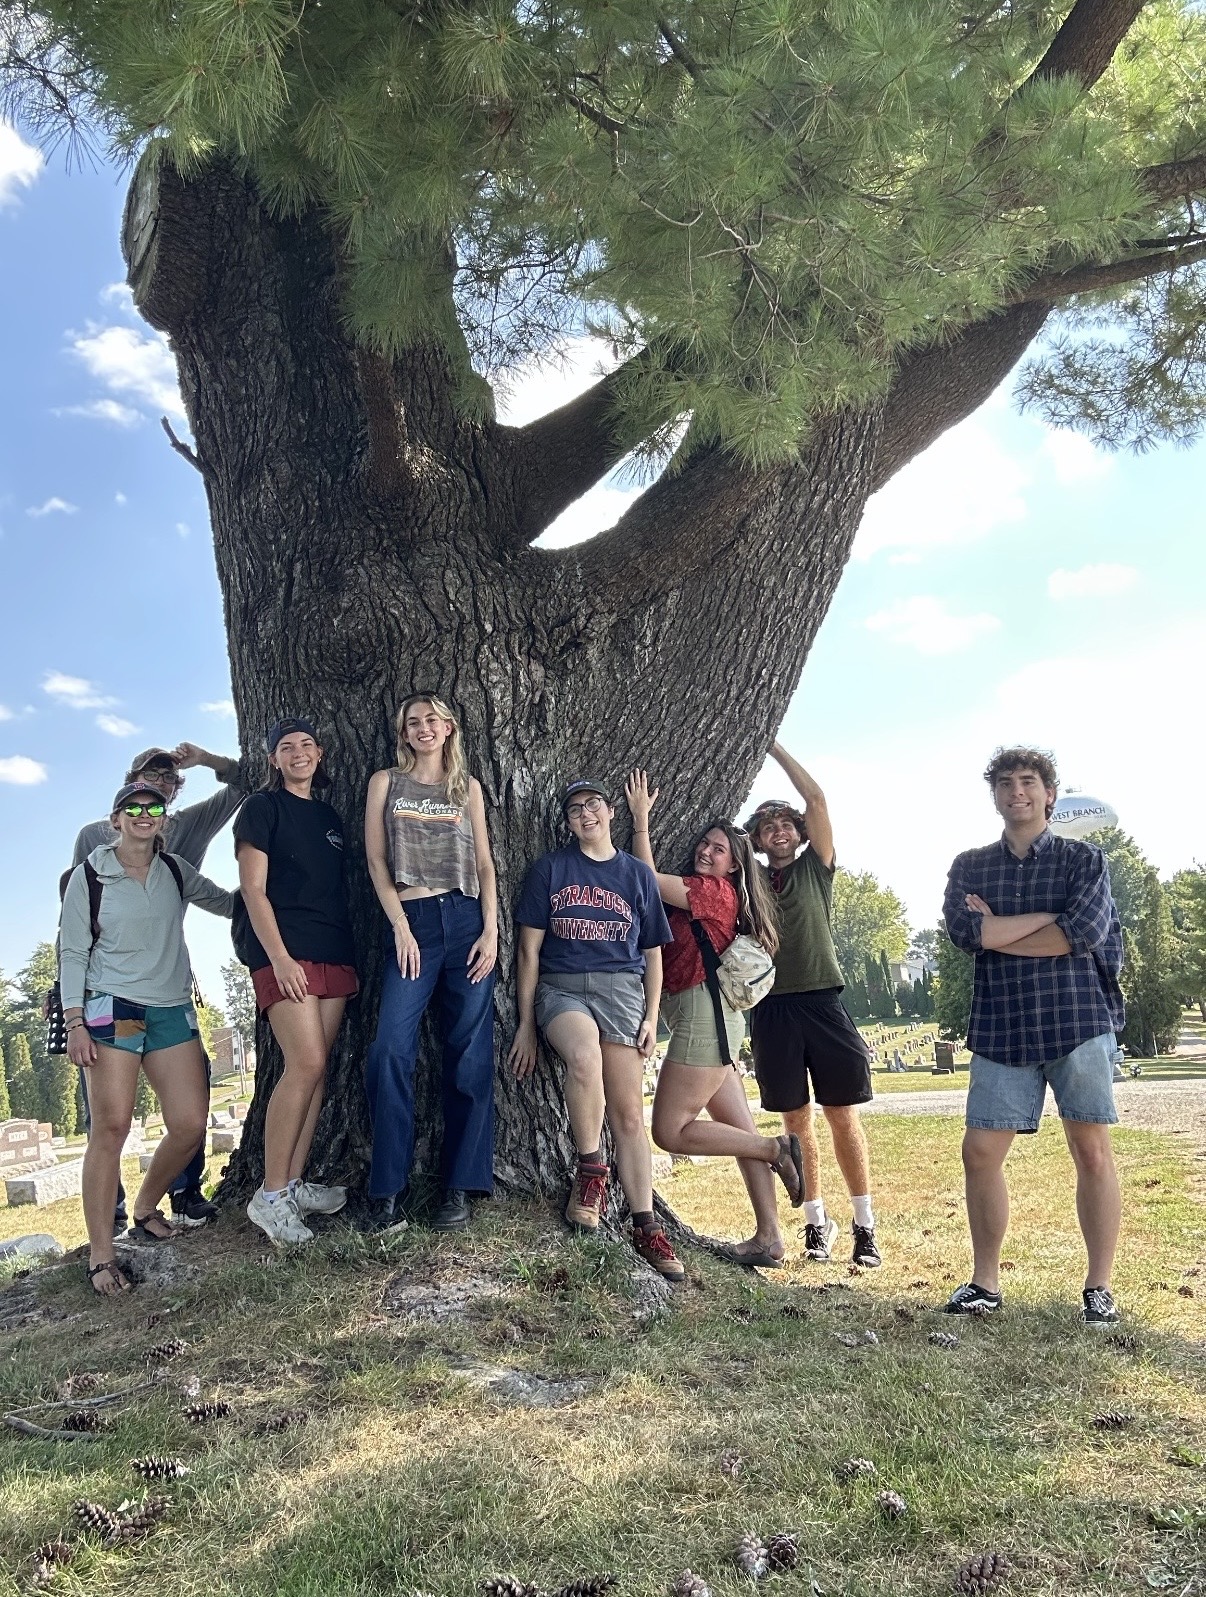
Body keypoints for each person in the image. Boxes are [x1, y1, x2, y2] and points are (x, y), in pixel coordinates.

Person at [942, 747, 1125, 1327]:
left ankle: (1099, 1287)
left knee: (1091, 1151)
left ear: (1050, 793)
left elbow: (1086, 933)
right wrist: (1048, 923)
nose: (1016, 790)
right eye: (1005, 782)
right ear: (994, 794)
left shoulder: (1084, 860)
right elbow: (963, 931)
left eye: (1028, 781)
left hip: (1076, 1020)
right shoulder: (970, 865)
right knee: (979, 1153)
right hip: (1002, 1024)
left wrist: (997, 932)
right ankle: (985, 1282)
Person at [625, 770, 803, 1267]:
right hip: (711, 1021)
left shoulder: (714, 893)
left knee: (670, 1131)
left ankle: (776, 1147)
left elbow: (645, 880)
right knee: (737, 1126)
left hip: (705, 1019)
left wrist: (641, 822)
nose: (706, 851)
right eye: (704, 843)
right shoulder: (706, 888)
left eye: (718, 848)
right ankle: (769, 1237)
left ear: (733, 865)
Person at [60, 780, 232, 1295]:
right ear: (115, 819)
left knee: (188, 1123)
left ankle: (144, 1206)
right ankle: (101, 1254)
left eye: (153, 807)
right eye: (131, 807)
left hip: (171, 1008)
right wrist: (74, 1023)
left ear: (164, 819)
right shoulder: (90, 875)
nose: (143, 813)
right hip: (114, 1007)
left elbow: (227, 903)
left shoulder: (175, 871)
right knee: (110, 1128)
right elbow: (71, 952)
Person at [508, 780, 684, 1282]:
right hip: (562, 990)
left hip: (623, 993)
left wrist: (651, 1017)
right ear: (567, 823)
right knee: (584, 1059)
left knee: (630, 1115)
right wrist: (525, 1024)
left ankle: (646, 1225)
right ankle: (591, 1171)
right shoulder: (551, 869)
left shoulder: (636, 875)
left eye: (593, 806)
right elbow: (529, 952)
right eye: (574, 810)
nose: (584, 814)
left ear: (610, 813)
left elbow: (653, 952)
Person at [363, 694, 498, 1230]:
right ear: (404, 732)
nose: (423, 728)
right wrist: (398, 923)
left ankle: (459, 1186)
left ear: (448, 729)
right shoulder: (385, 783)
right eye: (413, 722)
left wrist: (490, 930)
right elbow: (376, 858)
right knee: (389, 1049)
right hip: (412, 922)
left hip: (466, 921)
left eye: (431, 721)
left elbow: (485, 863)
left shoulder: (467, 789)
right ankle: (388, 1189)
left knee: (469, 1052)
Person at [744, 743, 880, 1268]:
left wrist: (770, 744)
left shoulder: (815, 869)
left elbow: (817, 799)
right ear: (756, 840)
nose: (778, 831)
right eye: (767, 826)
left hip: (823, 1001)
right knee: (795, 1123)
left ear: (799, 834)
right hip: (772, 1008)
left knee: (841, 1115)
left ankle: (864, 1226)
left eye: (786, 824)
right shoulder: (751, 880)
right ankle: (815, 1223)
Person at [234, 719, 357, 1245]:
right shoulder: (262, 809)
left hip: (333, 949)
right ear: (274, 760)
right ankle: (269, 1196)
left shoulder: (330, 817)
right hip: (285, 955)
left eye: (307, 745)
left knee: (319, 1072)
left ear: (320, 754)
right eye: (287, 747)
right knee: (303, 1063)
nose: (298, 753)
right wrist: (280, 958)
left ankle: (293, 1183)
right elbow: (253, 891)